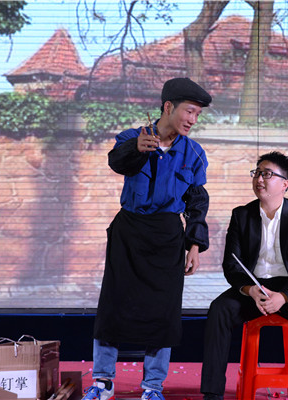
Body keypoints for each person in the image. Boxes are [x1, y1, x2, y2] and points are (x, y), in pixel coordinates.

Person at [82, 77, 212, 400]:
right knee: (112, 307)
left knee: (163, 313)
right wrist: (136, 149)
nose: (193, 120)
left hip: (167, 237)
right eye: (189, 112)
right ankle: (102, 382)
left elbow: (197, 202)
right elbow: (117, 162)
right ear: (168, 107)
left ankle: (153, 387)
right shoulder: (132, 138)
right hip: (129, 233)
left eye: (197, 115)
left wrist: (194, 245)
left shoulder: (194, 154)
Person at [200, 151, 288, 400]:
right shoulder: (241, 215)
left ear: (285, 184)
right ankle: (212, 393)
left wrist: (283, 296)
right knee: (219, 309)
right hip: (253, 289)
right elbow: (232, 265)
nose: (259, 179)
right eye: (257, 173)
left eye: (267, 174)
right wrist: (250, 290)